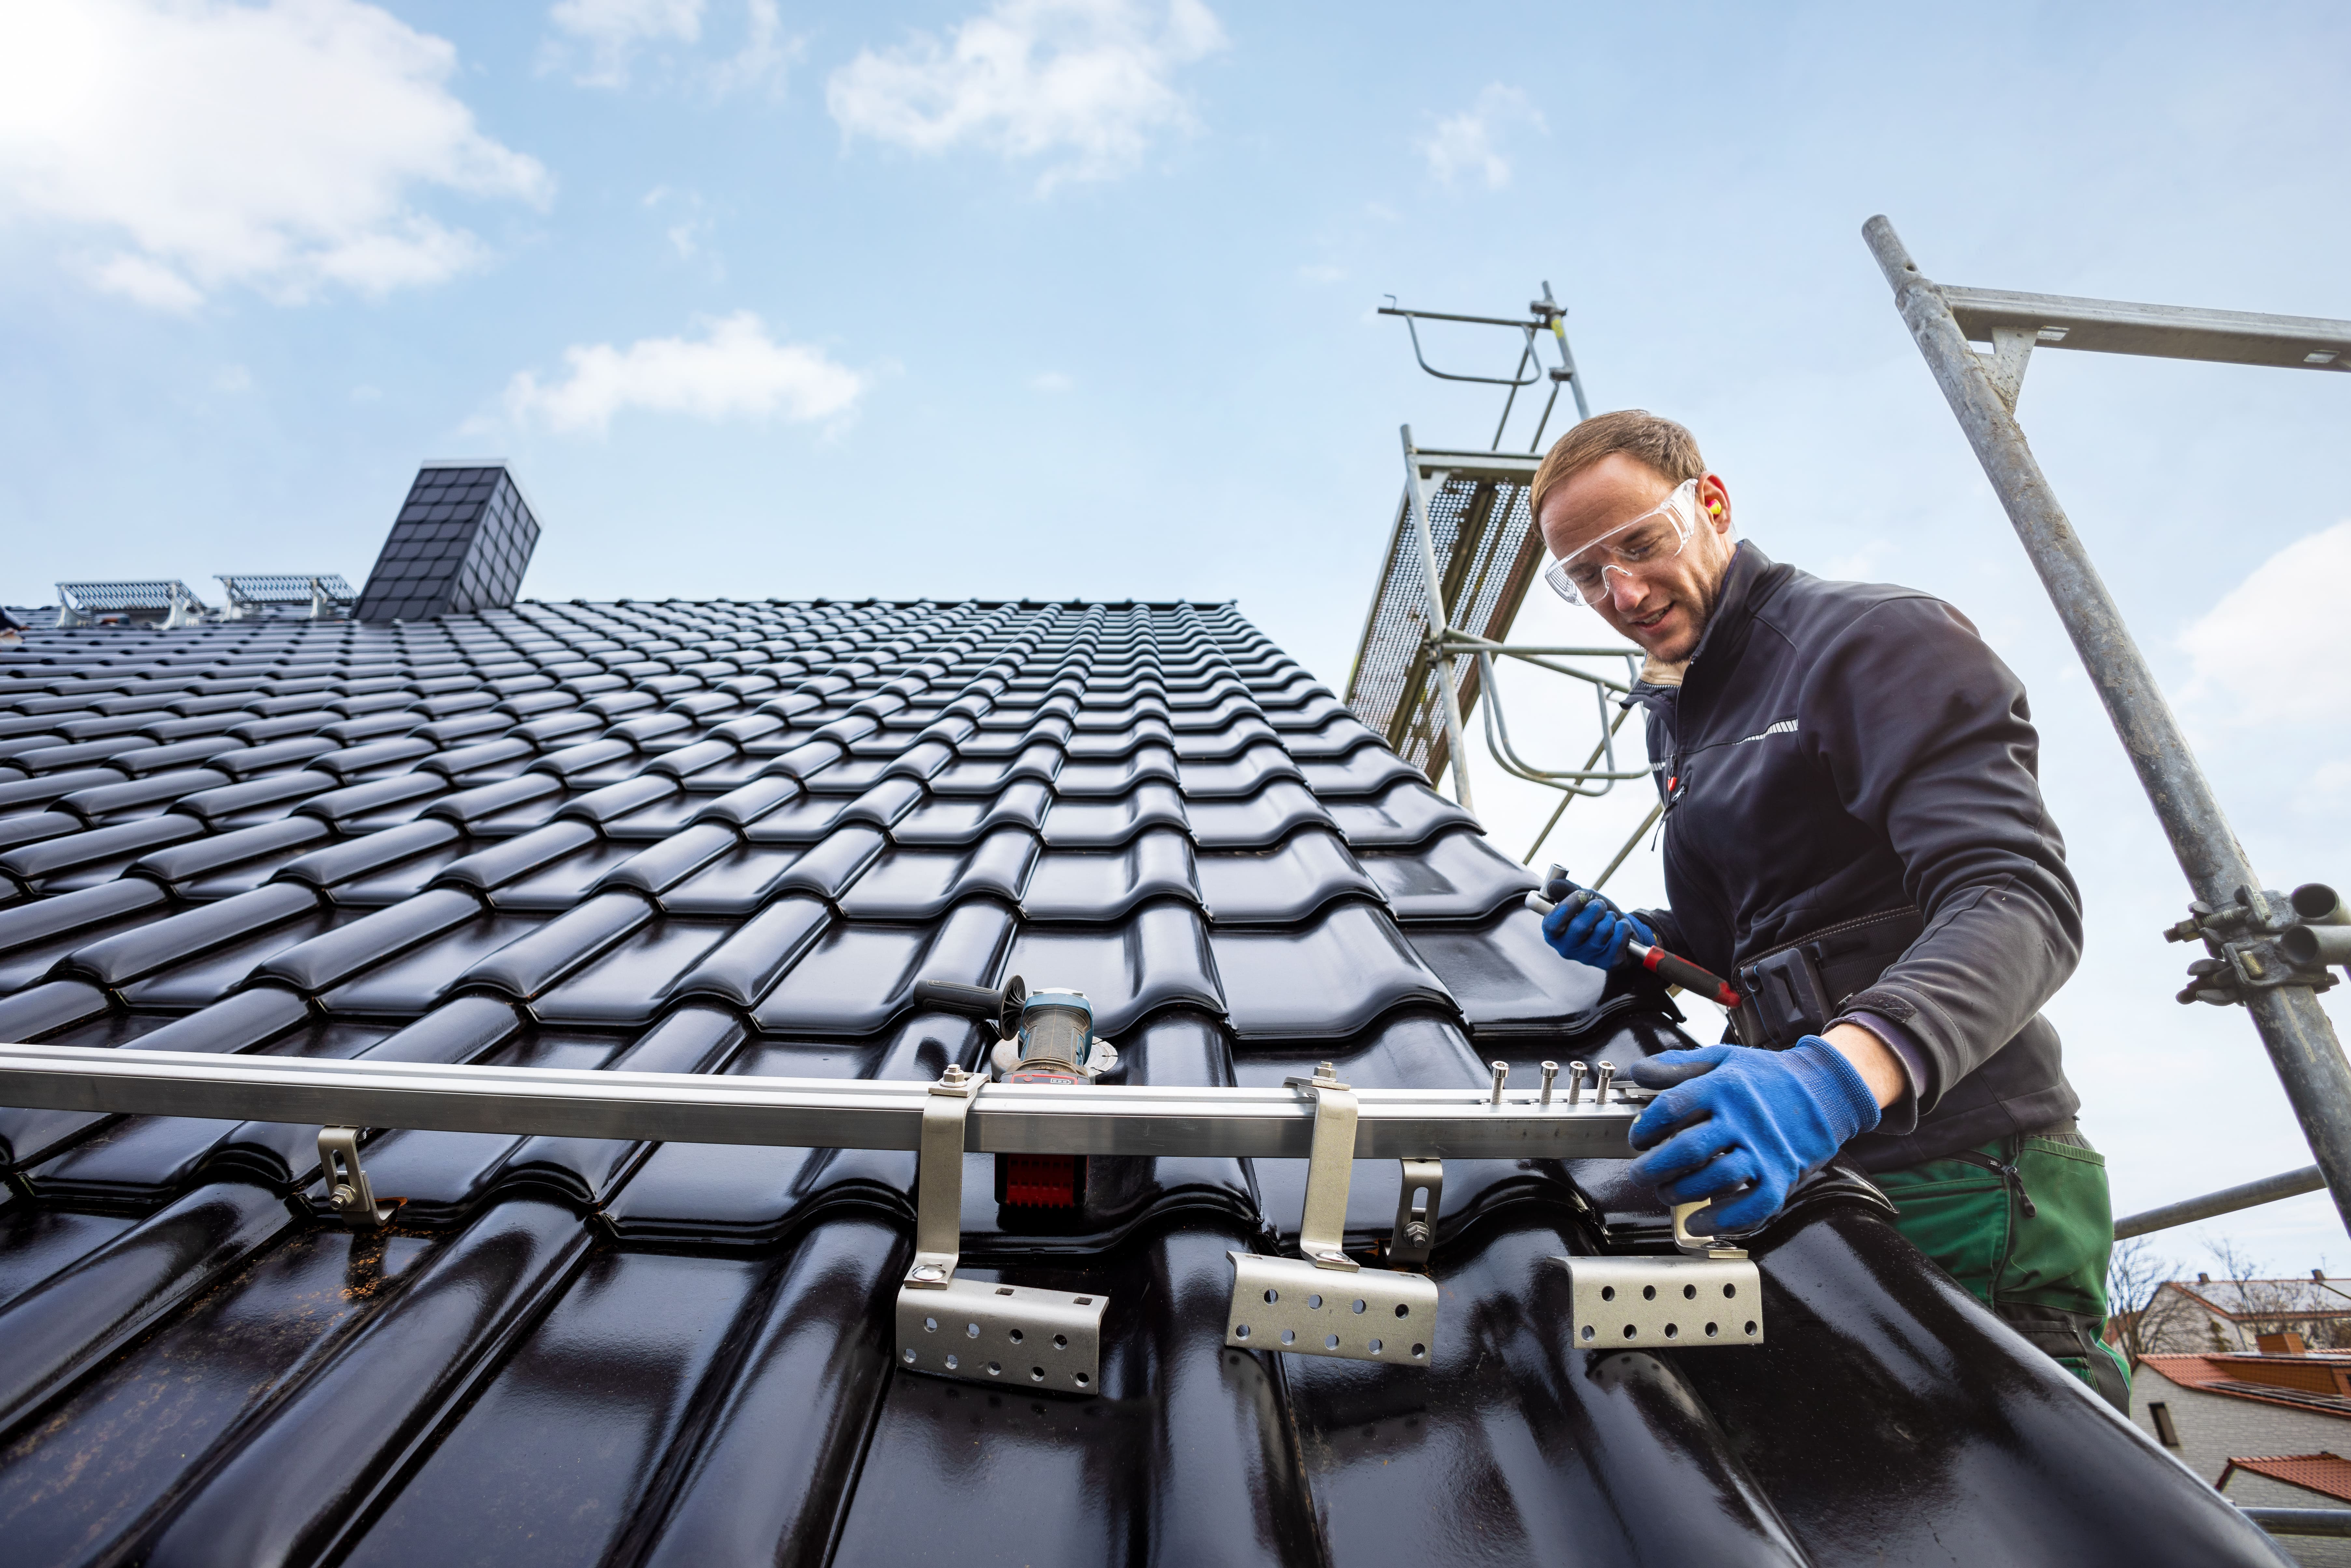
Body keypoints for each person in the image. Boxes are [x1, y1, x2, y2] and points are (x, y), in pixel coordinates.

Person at [1529, 409, 2128, 1407]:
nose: (1621, 593)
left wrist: (1831, 1080)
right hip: (1817, 1164)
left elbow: (2017, 897)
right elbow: (1751, 940)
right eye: (1586, 574)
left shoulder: (1869, 642)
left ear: (1711, 504)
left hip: (1962, 1161)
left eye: (1639, 543)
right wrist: (1644, 942)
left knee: (2027, 1463)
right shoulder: (1684, 717)